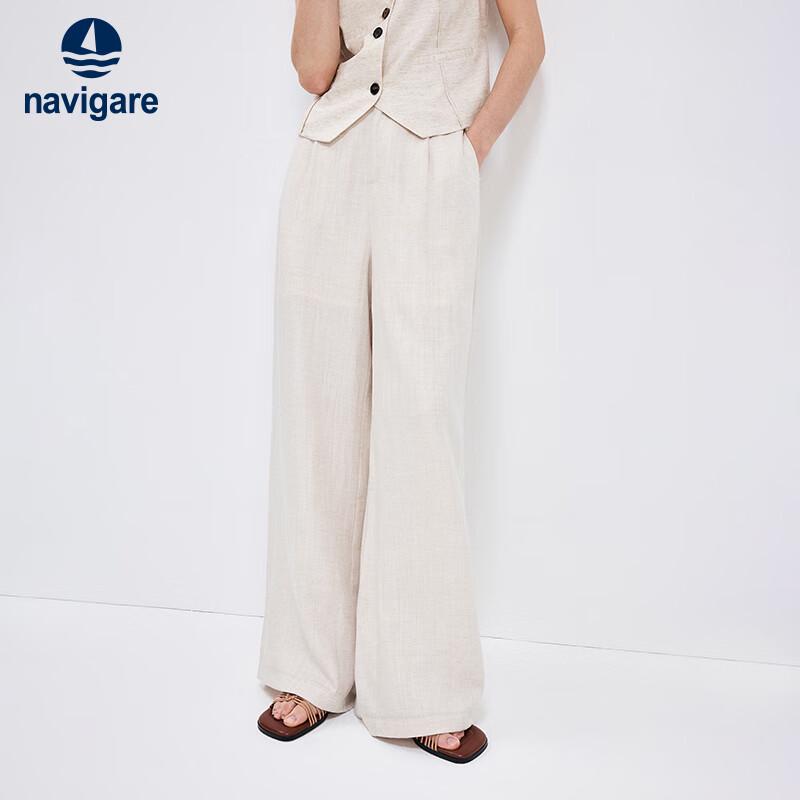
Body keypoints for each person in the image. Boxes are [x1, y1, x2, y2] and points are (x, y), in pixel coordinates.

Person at [256, 0, 545, 764]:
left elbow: (527, 41)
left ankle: (423, 685)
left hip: (431, 165)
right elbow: (314, 69)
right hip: (329, 161)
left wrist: (470, 146)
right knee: (317, 419)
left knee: (419, 423)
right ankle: (310, 670)